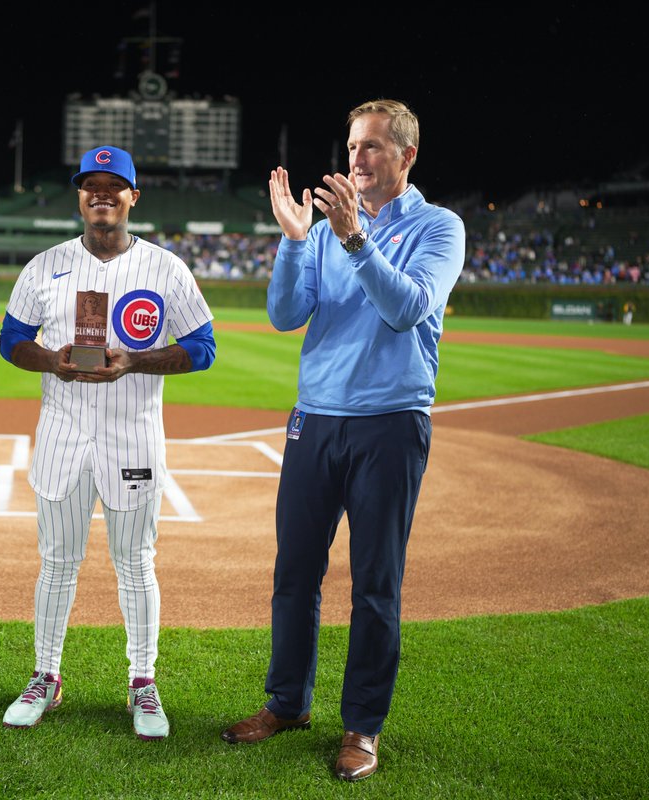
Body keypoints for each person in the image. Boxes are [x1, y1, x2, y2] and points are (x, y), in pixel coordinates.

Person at [220, 99, 465, 781]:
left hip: (391, 420)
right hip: (315, 418)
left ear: (407, 156)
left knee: (375, 584)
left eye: (373, 148)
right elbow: (284, 315)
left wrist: (356, 238)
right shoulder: (325, 228)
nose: (356, 159)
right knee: (294, 571)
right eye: (353, 147)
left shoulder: (439, 226)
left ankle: (362, 727)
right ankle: (287, 703)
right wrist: (298, 239)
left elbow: (408, 307)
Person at [0, 145, 216, 740]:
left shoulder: (166, 269)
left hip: (133, 439)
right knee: (57, 564)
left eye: (112, 186)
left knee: (136, 565)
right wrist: (51, 360)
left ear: (132, 197)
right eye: (90, 185)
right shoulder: (45, 265)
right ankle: (46, 675)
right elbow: (11, 338)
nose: (101, 195)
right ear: (79, 197)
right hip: (64, 438)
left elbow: (203, 347)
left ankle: (142, 683)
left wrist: (137, 361)